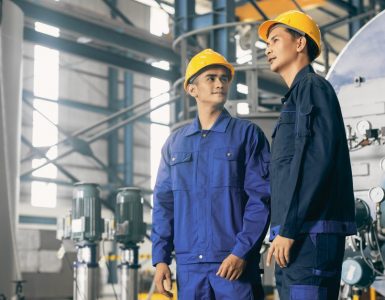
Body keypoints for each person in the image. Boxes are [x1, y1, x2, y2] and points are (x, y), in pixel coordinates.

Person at [151, 48, 270, 299]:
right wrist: (160, 259)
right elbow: (164, 204)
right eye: (211, 78)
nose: (220, 84)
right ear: (192, 89)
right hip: (189, 267)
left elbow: (261, 199)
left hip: (232, 264)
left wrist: (241, 252)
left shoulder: (247, 135)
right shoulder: (175, 144)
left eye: (224, 79)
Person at [258, 10, 357, 300]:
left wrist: (288, 229)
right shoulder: (297, 96)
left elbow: (316, 161)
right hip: (295, 233)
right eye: (267, 42)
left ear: (300, 43)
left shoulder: (313, 88)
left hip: (308, 234)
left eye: (276, 39)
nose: (268, 48)